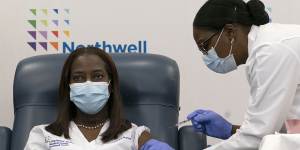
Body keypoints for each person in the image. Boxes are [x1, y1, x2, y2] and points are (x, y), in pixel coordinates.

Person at [188, 0, 300, 149]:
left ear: (229, 32)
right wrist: (231, 130)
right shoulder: (262, 51)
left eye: (205, 46)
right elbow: (276, 131)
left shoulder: (270, 51)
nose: (206, 55)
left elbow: (257, 138)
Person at [24, 47, 174, 150]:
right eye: (78, 78)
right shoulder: (43, 134)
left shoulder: (134, 134)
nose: (88, 83)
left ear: (110, 84)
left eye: (98, 76)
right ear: (68, 86)